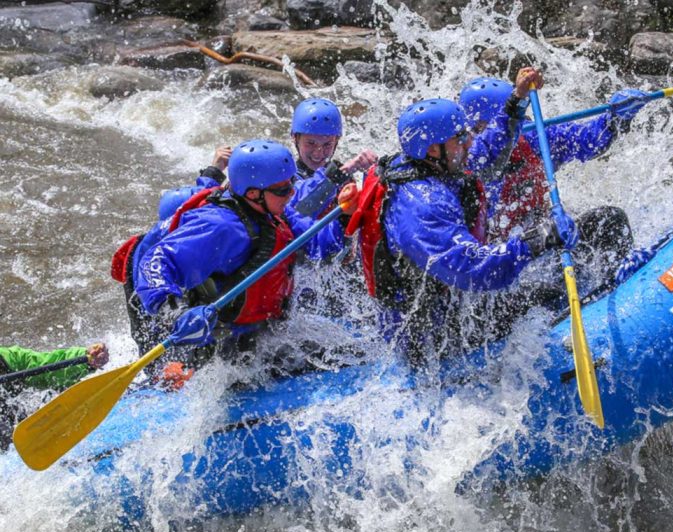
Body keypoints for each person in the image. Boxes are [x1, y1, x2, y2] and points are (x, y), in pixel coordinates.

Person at [345, 67, 578, 367]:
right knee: (547, 293)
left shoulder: (439, 162)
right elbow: (472, 269)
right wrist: (536, 241)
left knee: (601, 224)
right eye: (461, 138)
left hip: (452, 304)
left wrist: (516, 100)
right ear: (433, 148)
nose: (469, 142)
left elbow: (487, 150)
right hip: (428, 335)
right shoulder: (421, 207)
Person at [129, 139, 358, 373]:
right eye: (282, 190)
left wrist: (344, 216)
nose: (292, 193)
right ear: (252, 193)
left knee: (350, 357)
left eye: (291, 184)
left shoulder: (277, 211)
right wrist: (174, 312)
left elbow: (321, 247)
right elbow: (155, 262)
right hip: (220, 347)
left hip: (265, 333)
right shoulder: (219, 227)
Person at [459, 77, 640, 297]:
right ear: (477, 130)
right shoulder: (468, 171)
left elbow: (588, 140)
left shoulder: (535, 138)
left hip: (552, 236)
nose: (517, 130)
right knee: (544, 293)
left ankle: (622, 292)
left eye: (520, 119)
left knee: (611, 220)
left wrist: (614, 120)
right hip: (508, 263)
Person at [0, 342, 109, 450]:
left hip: (17, 432)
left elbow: (46, 367)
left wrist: (86, 358)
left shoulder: (8, 359)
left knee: (54, 393)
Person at [289, 97, 377, 218]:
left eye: (327, 144)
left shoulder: (344, 179)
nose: (318, 153)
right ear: (295, 138)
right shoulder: (285, 180)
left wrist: (372, 176)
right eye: (311, 143)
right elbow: (301, 212)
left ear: (336, 141)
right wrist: (338, 175)